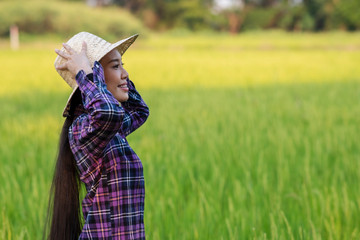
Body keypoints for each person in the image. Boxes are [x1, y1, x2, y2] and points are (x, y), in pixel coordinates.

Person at [45, 32, 149, 240]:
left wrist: (111, 79)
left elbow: (139, 111)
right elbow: (108, 113)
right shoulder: (85, 129)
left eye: (122, 64)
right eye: (115, 66)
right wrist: (85, 73)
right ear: (97, 76)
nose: (125, 73)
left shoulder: (109, 129)